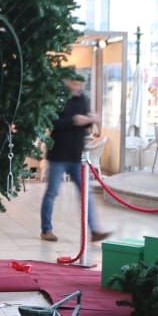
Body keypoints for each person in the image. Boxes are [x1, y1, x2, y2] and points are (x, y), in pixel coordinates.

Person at [40, 72, 109, 242]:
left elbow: (85, 121)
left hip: (76, 156)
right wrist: (73, 121)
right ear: (68, 83)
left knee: (86, 193)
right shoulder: (58, 100)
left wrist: (91, 119)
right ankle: (46, 229)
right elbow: (53, 123)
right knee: (52, 192)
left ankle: (95, 230)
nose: (78, 87)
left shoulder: (83, 99)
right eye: (75, 84)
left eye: (80, 84)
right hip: (58, 155)